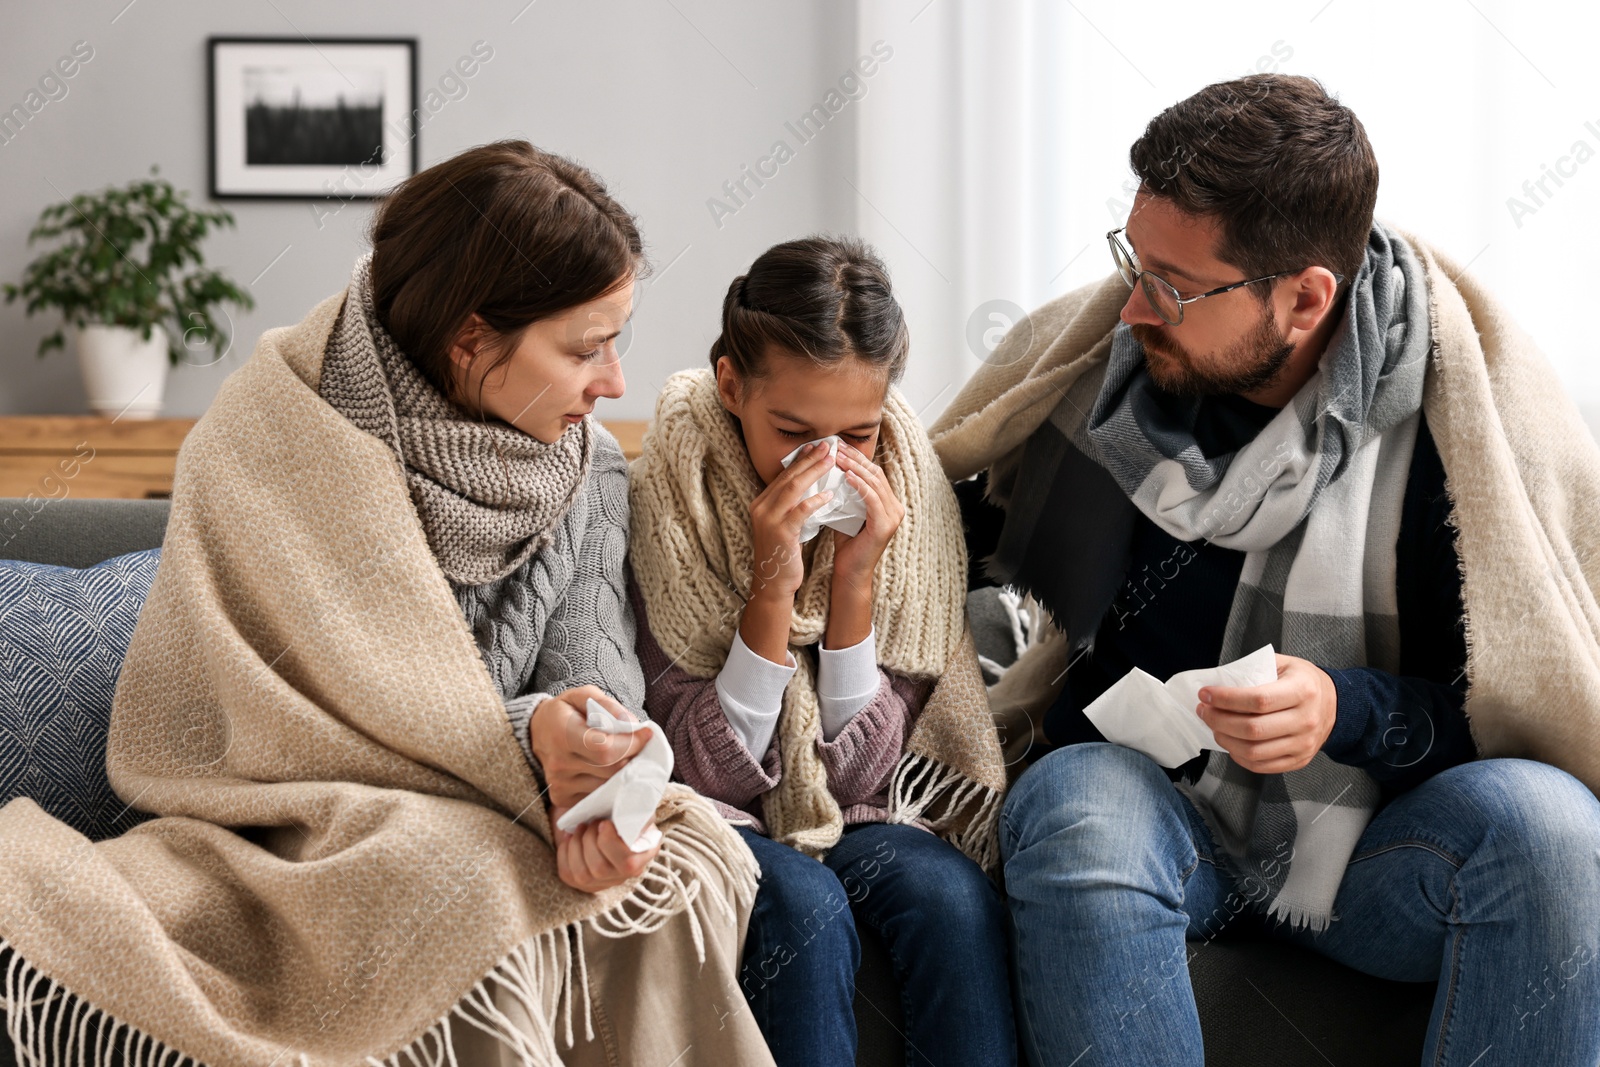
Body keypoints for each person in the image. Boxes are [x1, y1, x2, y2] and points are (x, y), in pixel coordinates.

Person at [0, 140, 774, 1067]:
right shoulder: (266, 438)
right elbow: (249, 726)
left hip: (496, 815)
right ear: (471, 339)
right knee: (460, 884)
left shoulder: (588, 466)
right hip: (281, 832)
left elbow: (600, 699)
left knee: (662, 884)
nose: (613, 382)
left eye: (618, 341)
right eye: (584, 348)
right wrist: (529, 742)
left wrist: (597, 785)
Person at [931, 75, 1600, 1065]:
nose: (1131, 308)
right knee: (1077, 801)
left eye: (1174, 284)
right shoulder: (1095, 376)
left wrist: (1346, 707)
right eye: (1133, 260)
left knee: (1552, 828)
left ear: (1305, 298)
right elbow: (953, 530)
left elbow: (1517, 705)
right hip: (1149, 813)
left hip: (1376, 841)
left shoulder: (1463, 428)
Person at [627, 236, 1015, 1067]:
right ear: (732, 385)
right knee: (801, 907)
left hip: (858, 810)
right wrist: (771, 590)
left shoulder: (914, 504)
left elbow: (865, 778)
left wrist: (854, 585)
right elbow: (709, 774)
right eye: (794, 431)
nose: (829, 465)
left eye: (858, 436)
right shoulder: (668, 496)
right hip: (715, 811)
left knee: (952, 897)